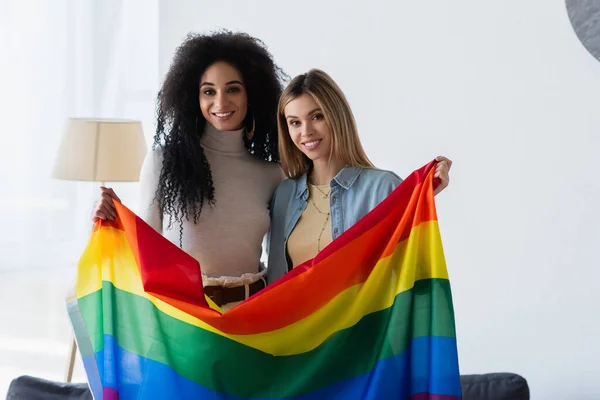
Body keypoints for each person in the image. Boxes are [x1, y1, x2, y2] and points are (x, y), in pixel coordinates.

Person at [92, 31, 287, 311]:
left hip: (251, 317)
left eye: (233, 89)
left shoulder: (272, 175)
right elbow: (143, 254)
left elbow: (280, 264)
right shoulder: (163, 162)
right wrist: (110, 220)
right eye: (209, 91)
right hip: (184, 317)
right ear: (192, 97)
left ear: (252, 93)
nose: (221, 103)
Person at [267, 69, 452, 283]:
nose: (306, 131)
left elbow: (412, 273)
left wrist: (420, 202)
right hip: (299, 317)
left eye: (317, 116)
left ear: (337, 116)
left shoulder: (382, 189)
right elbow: (275, 280)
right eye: (295, 122)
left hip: (361, 317)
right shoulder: (284, 194)